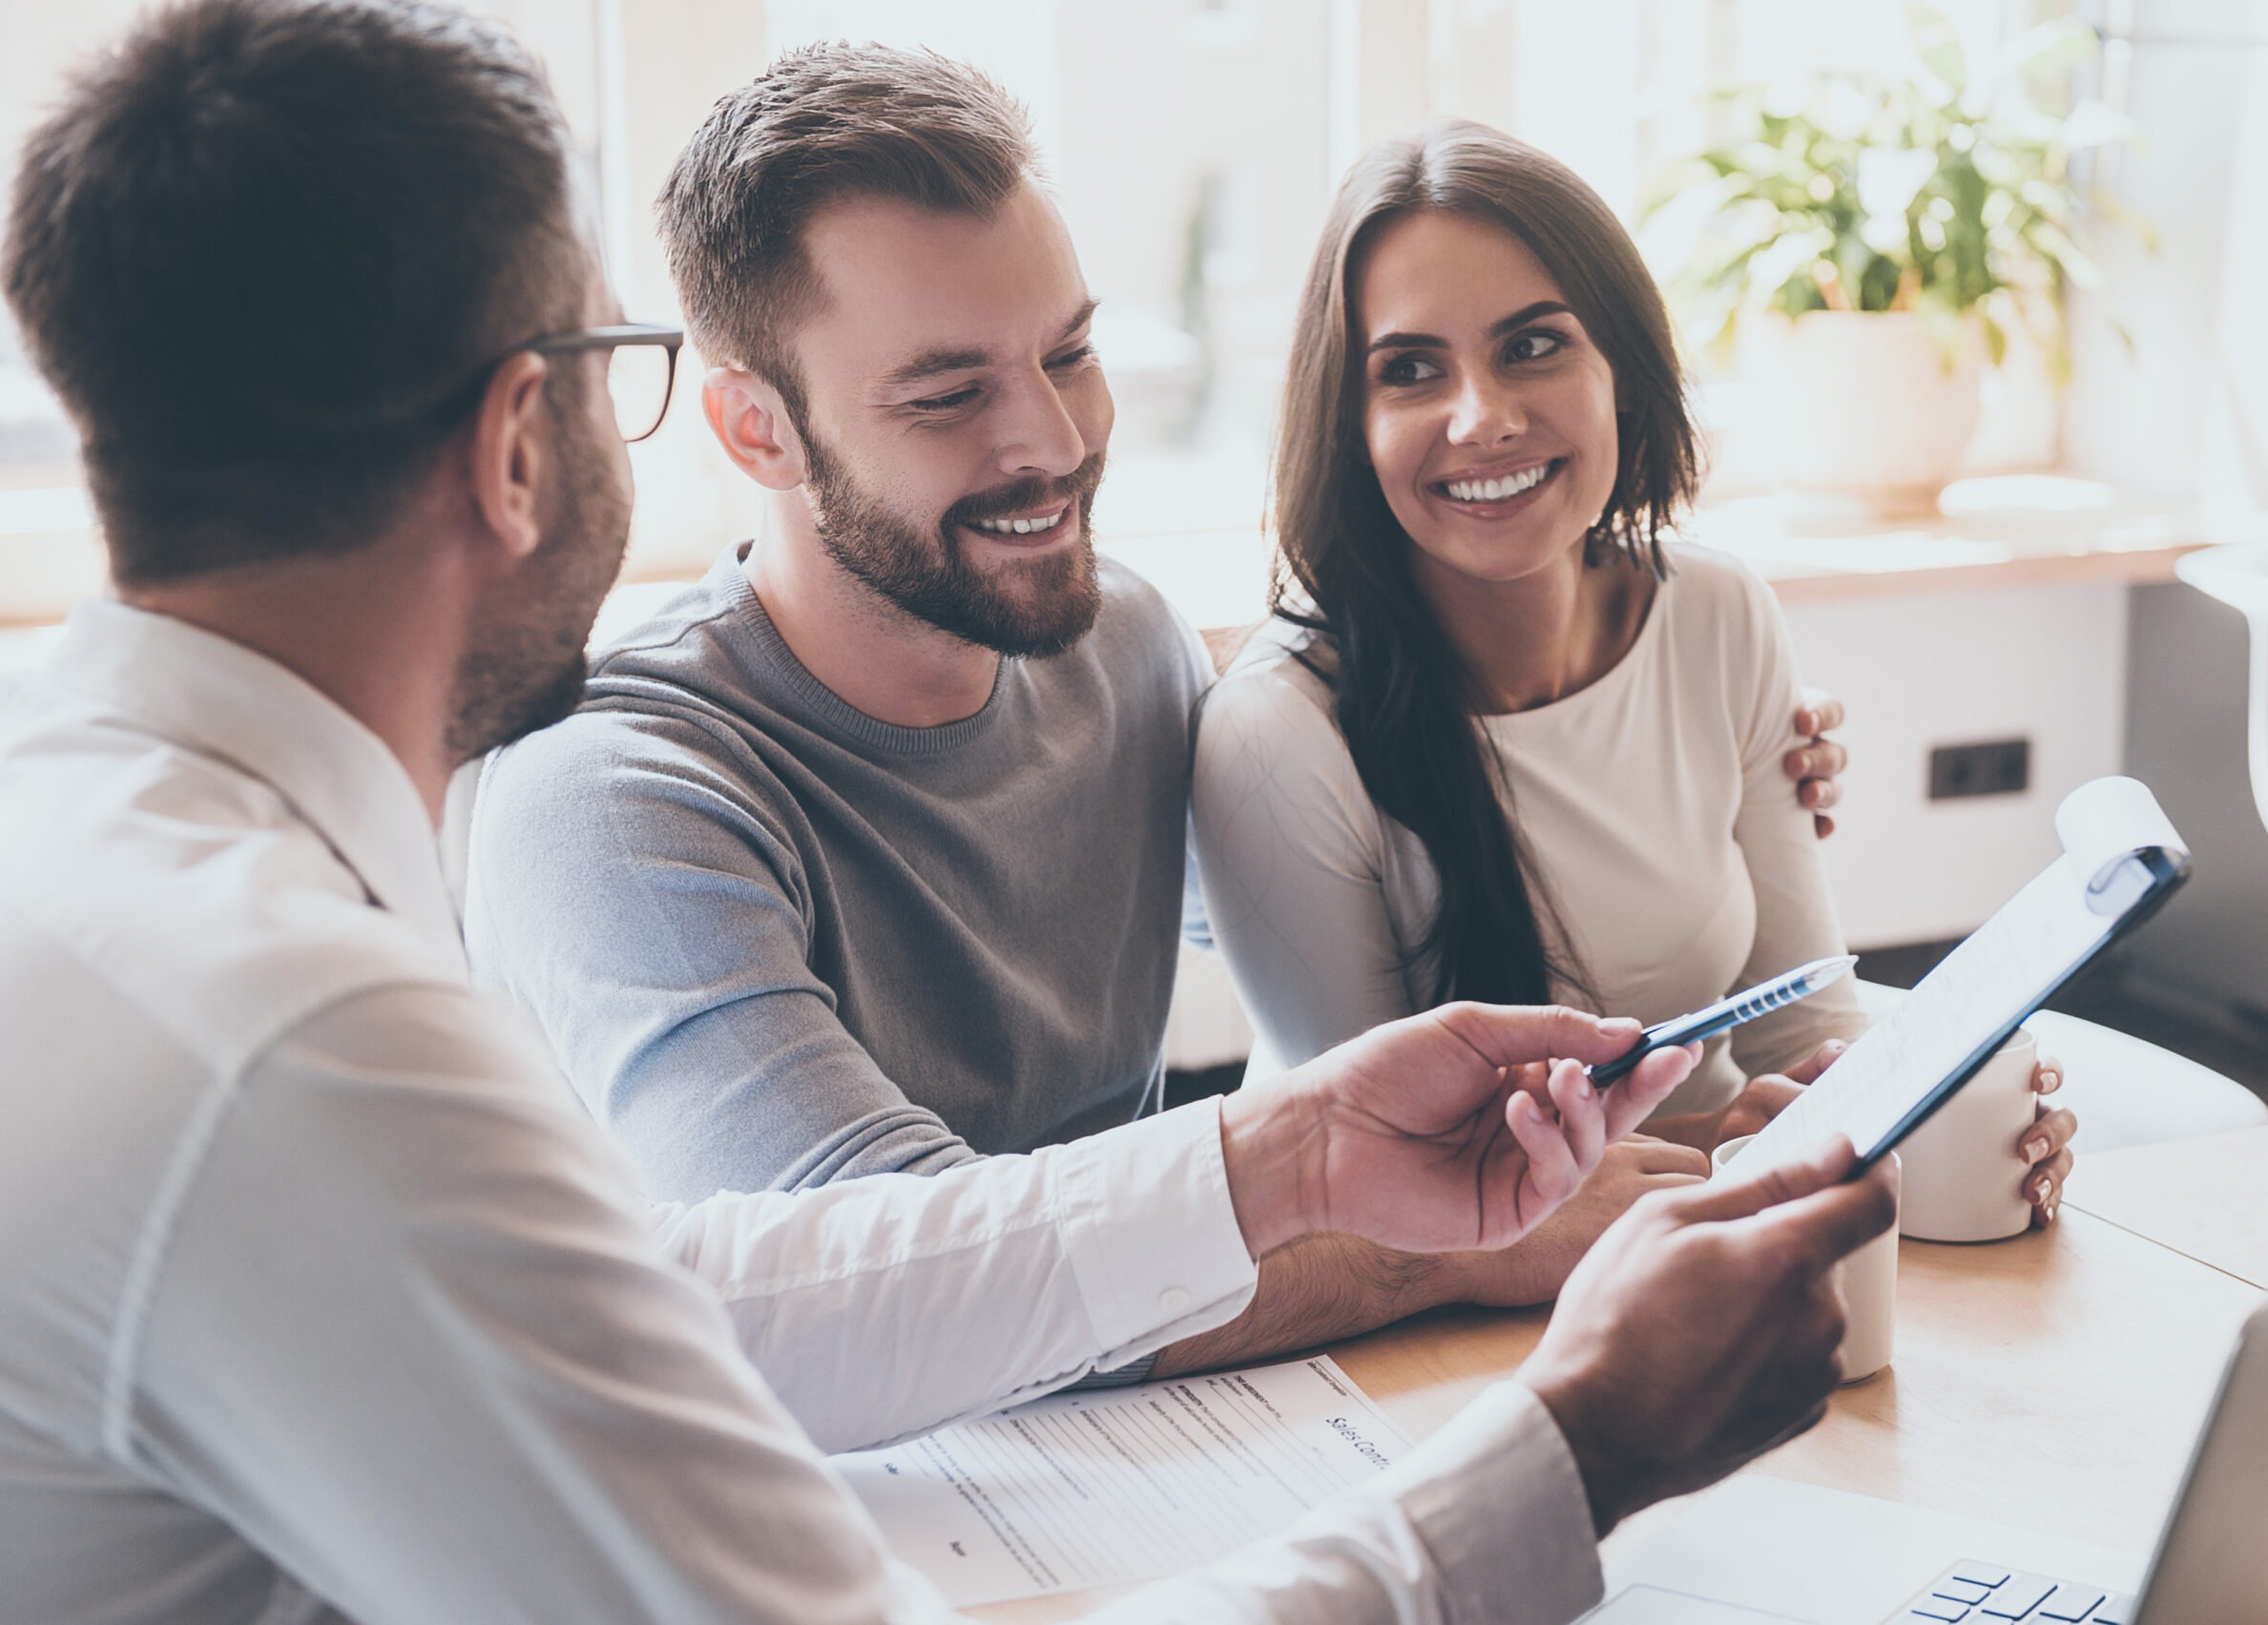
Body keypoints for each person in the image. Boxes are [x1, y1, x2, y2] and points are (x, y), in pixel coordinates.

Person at [0, 3, 1900, 1619]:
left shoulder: (126, 877)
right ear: (520, 437)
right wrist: (1570, 1449)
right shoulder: (300, 1037)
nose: (1049, 437)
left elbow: (716, 1290)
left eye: (1069, 352)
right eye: (616, 370)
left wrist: (1290, 1154)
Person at [463, 43, 1847, 1376]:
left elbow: (1326, 864)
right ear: (756, 429)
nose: (1054, 446)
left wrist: (1715, 748)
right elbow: (891, 1295)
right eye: (950, 394)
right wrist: (1458, 1247)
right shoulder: (616, 799)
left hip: (1155, 1443)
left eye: (1068, 354)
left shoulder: (1116, 644)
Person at [1192, 121, 2076, 1222]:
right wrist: (1738, 1145)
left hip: (1709, 1232)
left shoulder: (1714, 614)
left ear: (1621, 369)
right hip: (1405, 1306)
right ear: (1348, 423)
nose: (1483, 418)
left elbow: (1805, 1025)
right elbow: (1388, 1187)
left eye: (1531, 346)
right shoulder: (1276, 733)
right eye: (1410, 370)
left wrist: (1929, 1110)